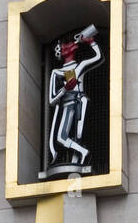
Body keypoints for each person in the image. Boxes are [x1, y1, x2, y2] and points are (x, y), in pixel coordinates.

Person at [44, 25, 103, 175]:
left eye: (70, 42)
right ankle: (84, 152)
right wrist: (65, 89)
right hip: (68, 105)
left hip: (81, 102)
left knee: (79, 136)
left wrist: (91, 43)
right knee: (61, 137)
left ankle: (80, 160)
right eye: (66, 44)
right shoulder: (57, 72)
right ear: (62, 51)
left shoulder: (79, 66)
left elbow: (98, 57)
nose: (70, 44)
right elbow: (51, 99)